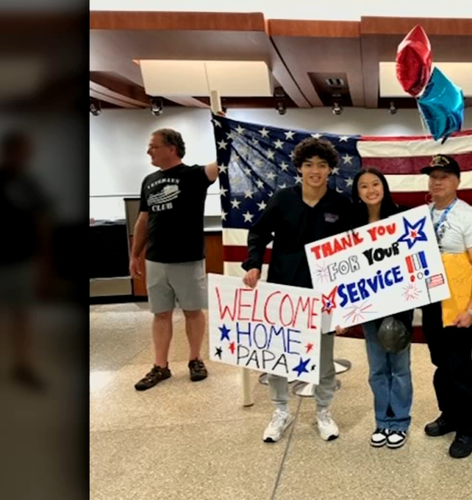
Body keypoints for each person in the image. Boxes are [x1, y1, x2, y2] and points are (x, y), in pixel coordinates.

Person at [241, 136, 351, 443]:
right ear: (299, 168)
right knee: (277, 356)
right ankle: (280, 411)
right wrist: (253, 264)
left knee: (324, 358)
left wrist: (347, 305)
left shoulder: (341, 204)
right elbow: (258, 233)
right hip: (283, 291)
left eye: (322, 165)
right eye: (308, 164)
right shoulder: (283, 198)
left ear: (331, 169)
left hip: (324, 295)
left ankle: (324, 412)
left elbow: (353, 253)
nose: (315, 170)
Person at [130, 128, 218, 391]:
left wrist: (221, 128)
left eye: (153, 146)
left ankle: (195, 359)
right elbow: (143, 219)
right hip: (156, 260)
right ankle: (160, 366)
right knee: (161, 314)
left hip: (187, 259)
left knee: (193, 311)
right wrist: (135, 254)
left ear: (171, 148)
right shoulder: (149, 180)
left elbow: (223, 162)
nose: (149, 151)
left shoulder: (193, 175)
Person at [419, 154, 472, 459]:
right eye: (433, 176)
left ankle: (468, 429)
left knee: (460, 367)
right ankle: (449, 415)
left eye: (443, 176)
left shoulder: (466, 216)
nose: (437, 182)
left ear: (457, 181)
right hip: (433, 304)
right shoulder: (423, 214)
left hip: (459, 305)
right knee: (440, 364)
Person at [345, 167, 415, 450]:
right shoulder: (350, 224)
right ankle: (381, 421)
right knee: (376, 367)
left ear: (384, 187)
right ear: (357, 192)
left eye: (376, 184)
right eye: (364, 186)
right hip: (368, 305)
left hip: (400, 303)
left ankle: (399, 421)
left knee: (399, 366)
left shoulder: (403, 216)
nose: (371, 190)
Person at [0, 131, 52, 390]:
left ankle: (22, 365)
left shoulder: (30, 184)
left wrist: (44, 264)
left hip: (21, 261)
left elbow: (42, 223)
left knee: (21, 315)